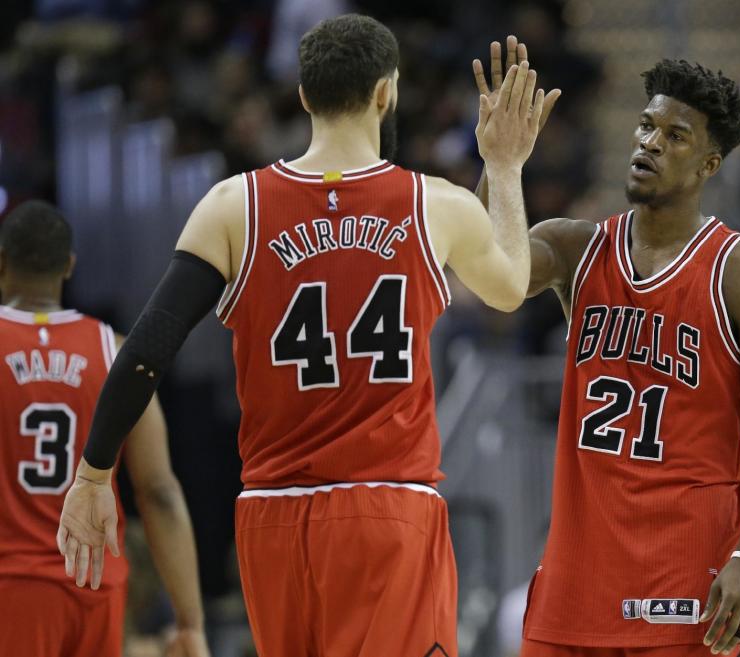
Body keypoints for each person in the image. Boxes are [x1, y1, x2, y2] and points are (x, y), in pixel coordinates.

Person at [57, 15, 556, 657]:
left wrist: (94, 475)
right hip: (388, 510)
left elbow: (145, 351)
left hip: (272, 515)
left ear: (302, 95)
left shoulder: (234, 205)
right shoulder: (436, 204)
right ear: (386, 93)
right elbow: (512, 287)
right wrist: (505, 166)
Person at [474, 50, 740, 656]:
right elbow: (491, 277)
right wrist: (499, 165)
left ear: (708, 164)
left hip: (686, 582)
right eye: (647, 125)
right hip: (576, 583)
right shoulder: (575, 247)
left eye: (674, 136)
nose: (650, 142)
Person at [0, 201, 207, 657]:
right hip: (94, 586)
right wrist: (190, 621)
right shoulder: (114, 351)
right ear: (69, 265)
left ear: (1, 262)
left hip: (12, 587)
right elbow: (159, 492)